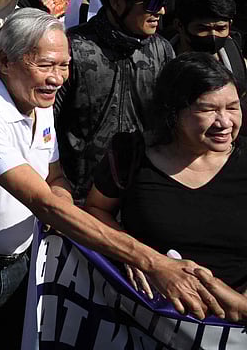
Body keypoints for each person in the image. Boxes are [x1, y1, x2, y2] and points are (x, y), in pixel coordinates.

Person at [0, 10, 227, 349]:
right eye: (46, 65)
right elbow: (41, 202)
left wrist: (63, 201)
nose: (58, 78)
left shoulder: (41, 102)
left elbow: (54, 179)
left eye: (64, 65)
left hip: (22, 264)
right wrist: (151, 261)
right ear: (5, 61)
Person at [85, 53, 247, 296]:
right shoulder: (130, 154)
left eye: (233, 107)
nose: (224, 121)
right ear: (174, 112)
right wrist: (133, 253)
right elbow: (96, 210)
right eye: (208, 109)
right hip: (147, 318)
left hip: (233, 326)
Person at [56, 0, 175, 196]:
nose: (161, 11)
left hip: (139, 191)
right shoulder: (71, 50)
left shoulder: (162, 50)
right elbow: (43, 128)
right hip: (78, 195)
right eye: (153, 3)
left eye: (165, 2)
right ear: (117, 1)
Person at [170, 0, 247, 79]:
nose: (213, 36)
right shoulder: (158, 59)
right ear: (179, 25)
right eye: (202, 29)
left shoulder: (234, 56)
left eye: (221, 28)